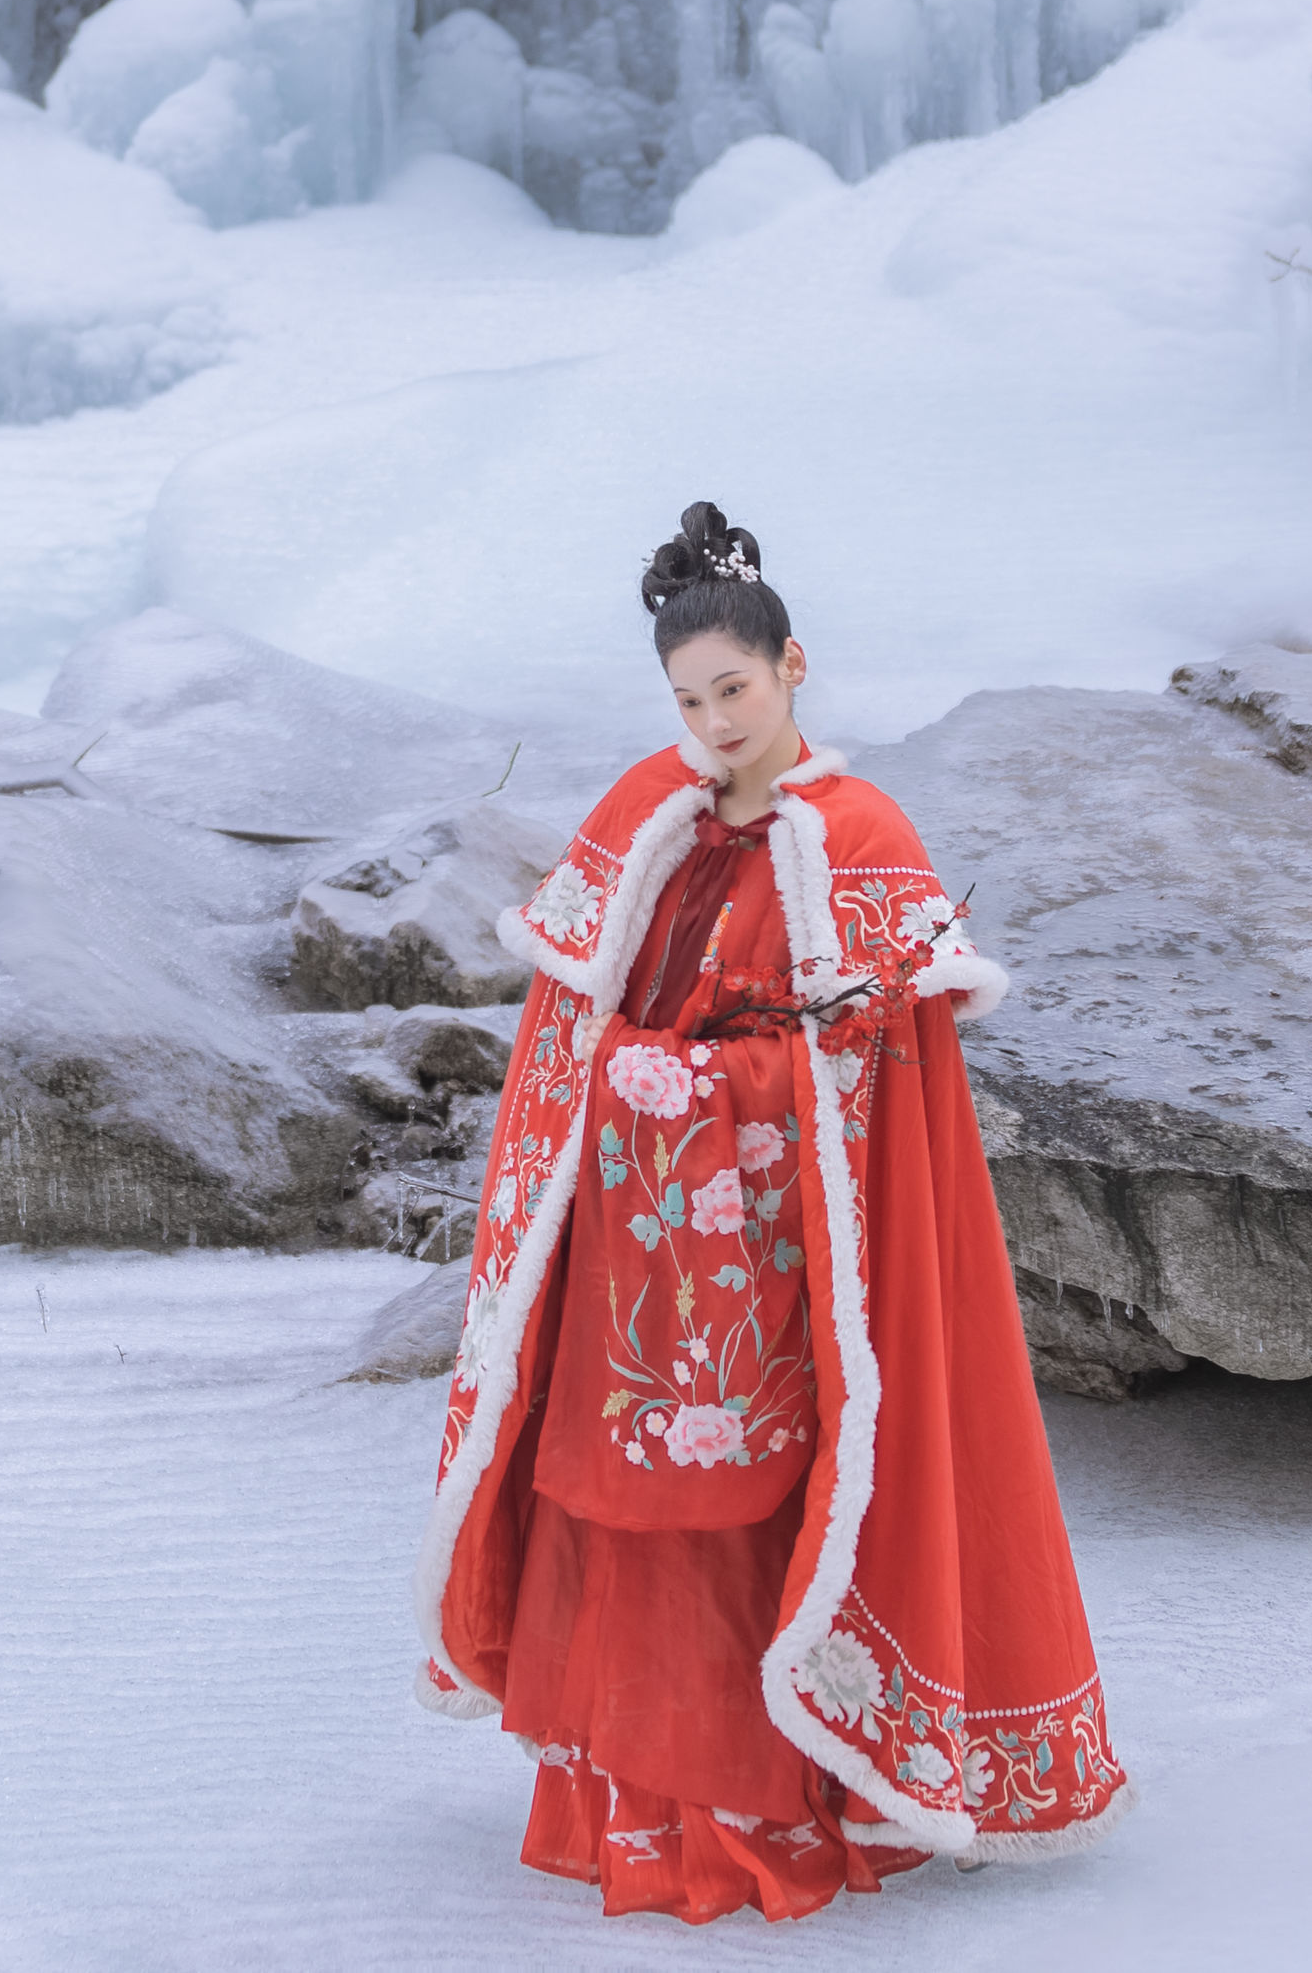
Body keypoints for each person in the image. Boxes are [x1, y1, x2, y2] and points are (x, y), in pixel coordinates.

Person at [411, 503, 1129, 1923]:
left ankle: (776, 1800)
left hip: (790, 1266)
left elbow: (865, 1076)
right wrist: (628, 1084)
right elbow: (566, 1031)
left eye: (732, 690)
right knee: (624, 1510)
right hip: (629, 1256)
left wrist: (703, 1080)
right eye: (685, 699)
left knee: (758, 1517)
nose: (712, 721)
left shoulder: (859, 837)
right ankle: (644, 1796)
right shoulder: (642, 814)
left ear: (793, 668)